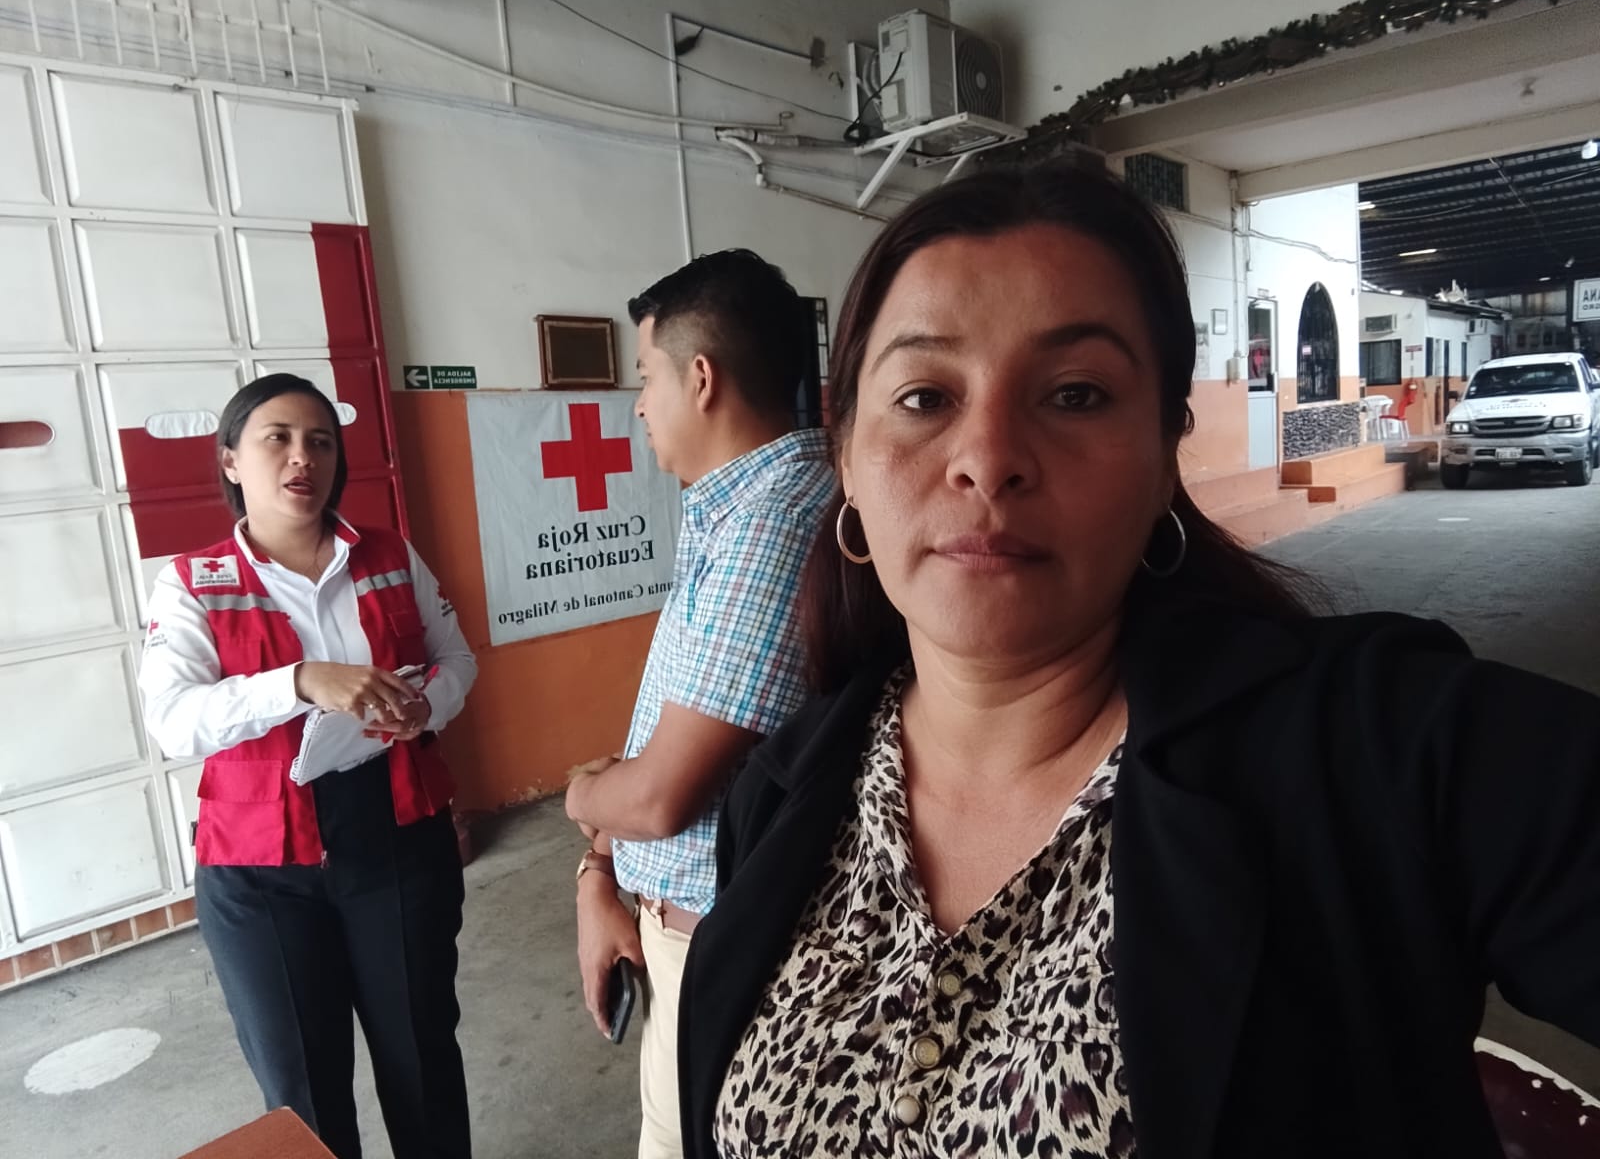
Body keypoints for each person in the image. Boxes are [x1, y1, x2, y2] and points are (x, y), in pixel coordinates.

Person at [677, 164, 1600, 1159]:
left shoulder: (1376, 759)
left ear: (1166, 457)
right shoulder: (783, 795)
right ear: (847, 454)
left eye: (1075, 395)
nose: (988, 458)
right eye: (924, 395)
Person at [139, 373, 478, 1159]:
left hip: (397, 840)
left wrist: (428, 705)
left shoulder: (389, 555)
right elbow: (173, 720)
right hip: (261, 871)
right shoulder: (190, 583)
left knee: (421, 1055)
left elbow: (456, 659)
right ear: (231, 461)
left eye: (321, 442)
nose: (303, 458)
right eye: (279, 439)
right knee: (302, 1091)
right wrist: (297, 681)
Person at [564, 249, 835, 1158]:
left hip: (720, 943)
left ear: (702, 379)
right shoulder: (733, 511)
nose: (640, 405)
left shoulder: (773, 523)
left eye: (647, 376)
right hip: (675, 920)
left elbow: (657, 796)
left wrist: (582, 797)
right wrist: (598, 873)